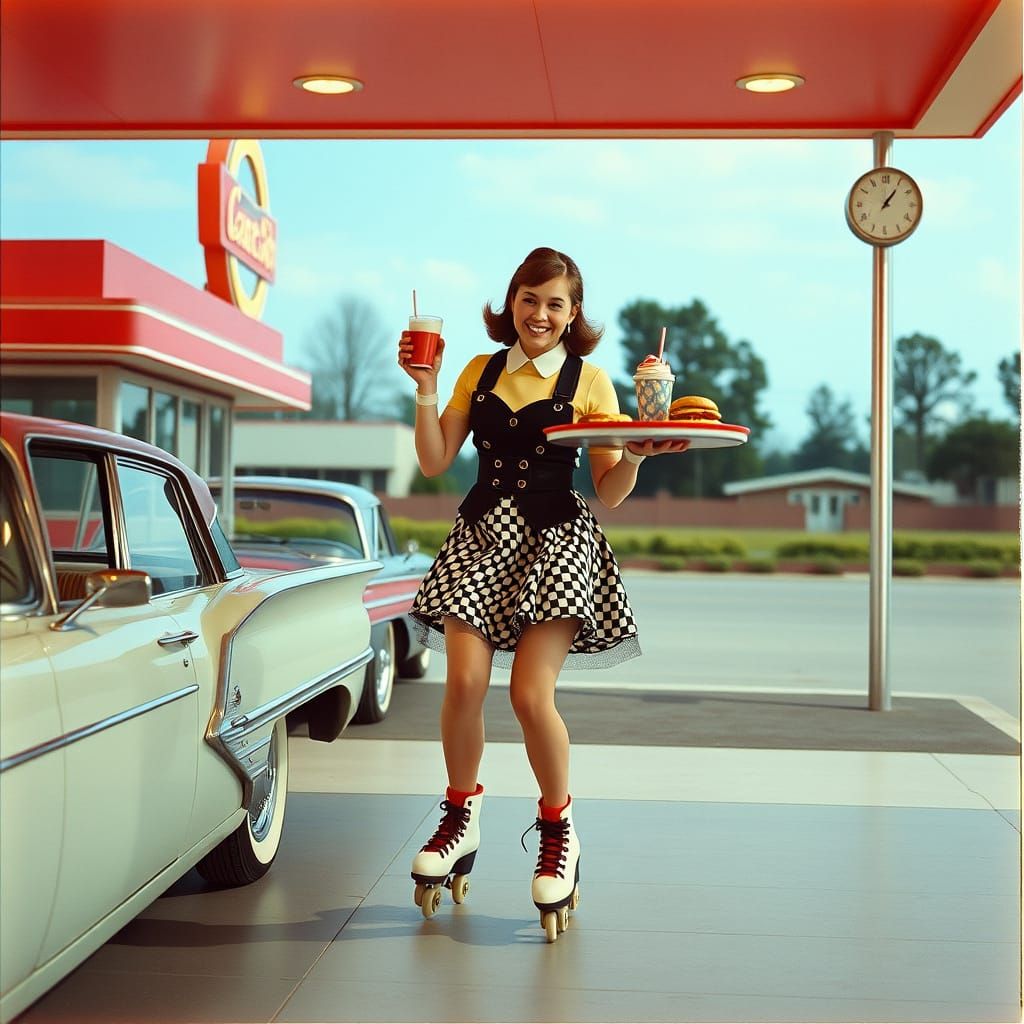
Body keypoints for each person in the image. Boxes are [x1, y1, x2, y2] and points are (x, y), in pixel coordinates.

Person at [398, 246, 688, 940]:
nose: (540, 313)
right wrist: (426, 385)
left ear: (573, 314)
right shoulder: (480, 369)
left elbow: (610, 491)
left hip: (558, 543)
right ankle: (460, 816)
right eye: (530, 298)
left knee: (530, 695)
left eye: (556, 303)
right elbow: (436, 460)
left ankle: (559, 827)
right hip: (484, 536)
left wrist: (639, 456)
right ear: (513, 302)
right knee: (462, 684)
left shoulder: (592, 382)